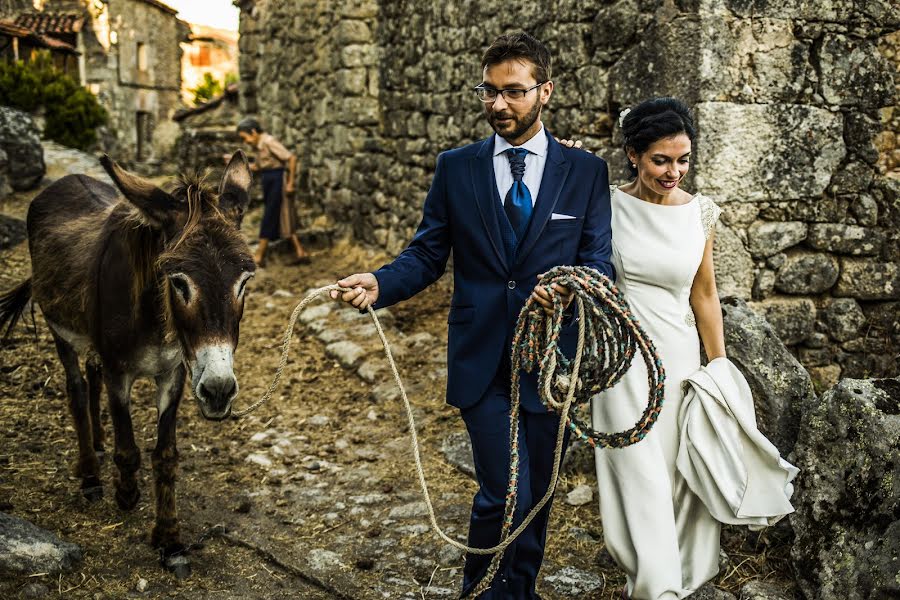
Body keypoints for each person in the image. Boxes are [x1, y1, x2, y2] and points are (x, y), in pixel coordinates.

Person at [330, 32, 614, 599]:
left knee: (537, 493)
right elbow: (428, 253)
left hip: (550, 357)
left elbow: (597, 264)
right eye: (489, 92)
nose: (498, 105)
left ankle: (520, 590)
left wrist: (571, 294)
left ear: (545, 91)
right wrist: (381, 282)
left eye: (512, 92)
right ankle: (480, 591)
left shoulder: (584, 173)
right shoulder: (456, 168)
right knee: (504, 488)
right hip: (480, 355)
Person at [587, 98, 724, 599]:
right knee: (637, 471)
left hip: (682, 357)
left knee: (678, 471)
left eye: (683, 159)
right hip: (623, 361)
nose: (673, 171)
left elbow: (704, 295)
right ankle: (655, 585)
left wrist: (720, 367)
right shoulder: (604, 203)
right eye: (661, 160)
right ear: (633, 155)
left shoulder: (701, 212)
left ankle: (684, 570)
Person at [236, 117, 310, 266]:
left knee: (270, 213)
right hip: (268, 179)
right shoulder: (259, 146)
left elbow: (291, 158)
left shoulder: (269, 142)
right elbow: (259, 166)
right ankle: (300, 252)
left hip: (277, 179)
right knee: (282, 214)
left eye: (246, 138)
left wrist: (290, 183)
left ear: (254, 132)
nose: (246, 142)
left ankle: (259, 255)